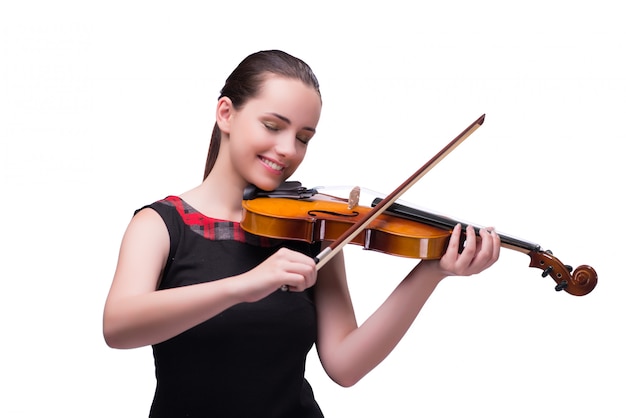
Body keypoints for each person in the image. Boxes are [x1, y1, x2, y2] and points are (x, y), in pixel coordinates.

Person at [103, 49, 500, 417]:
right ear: (226, 113)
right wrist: (243, 286)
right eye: (273, 126)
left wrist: (431, 271)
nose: (287, 149)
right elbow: (118, 326)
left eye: (303, 137)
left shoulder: (310, 229)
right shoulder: (160, 224)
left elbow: (346, 364)